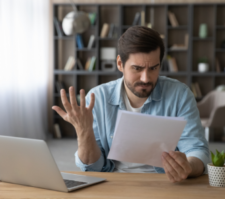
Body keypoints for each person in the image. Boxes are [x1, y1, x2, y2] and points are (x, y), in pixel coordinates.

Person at [52, 26, 209, 183]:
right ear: (120, 64)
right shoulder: (98, 98)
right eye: (137, 68)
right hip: (114, 183)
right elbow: (94, 168)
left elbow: (197, 150)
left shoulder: (179, 95)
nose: (146, 78)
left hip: (165, 183)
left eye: (153, 68)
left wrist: (188, 166)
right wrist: (83, 131)